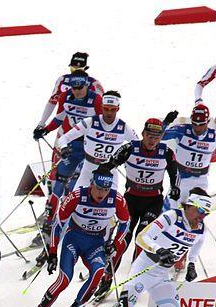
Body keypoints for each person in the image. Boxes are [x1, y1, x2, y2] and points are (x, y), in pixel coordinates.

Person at [67, 188, 211, 307]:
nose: (202, 216)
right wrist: (159, 250)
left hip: (161, 276)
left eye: (206, 213)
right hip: (143, 270)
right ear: (191, 206)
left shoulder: (200, 228)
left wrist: (191, 264)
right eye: (201, 211)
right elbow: (142, 237)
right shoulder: (171, 217)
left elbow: (197, 245)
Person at [23, 169, 129, 307]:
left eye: (106, 190)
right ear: (92, 184)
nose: (102, 194)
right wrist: (52, 252)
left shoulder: (116, 199)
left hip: (95, 244)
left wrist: (115, 243)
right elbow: (58, 224)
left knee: (98, 272)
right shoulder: (77, 196)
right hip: (74, 240)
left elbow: (125, 222)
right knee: (64, 279)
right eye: (99, 188)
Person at [31, 72, 102, 246]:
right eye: (74, 87)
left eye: (80, 87)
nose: (76, 91)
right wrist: (44, 129)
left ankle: (84, 221)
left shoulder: (96, 100)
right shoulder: (66, 96)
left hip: (90, 146)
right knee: (59, 183)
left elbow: (103, 123)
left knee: (82, 186)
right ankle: (49, 225)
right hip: (71, 145)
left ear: (87, 85)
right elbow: (60, 117)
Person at [97, 118, 179, 265]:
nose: (152, 141)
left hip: (153, 202)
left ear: (161, 137)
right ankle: (108, 275)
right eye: (149, 136)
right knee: (123, 238)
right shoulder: (130, 148)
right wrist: (101, 172)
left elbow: (174, 174)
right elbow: (110, 164)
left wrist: (175, 188)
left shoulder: (166, 152)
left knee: (142, 238)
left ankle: (135, 274)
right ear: (143, 134)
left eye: (156, 137)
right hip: (131, 200)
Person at [162, 104, 216, 208]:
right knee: (169, 210)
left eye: (201, 124)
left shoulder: (215, 137)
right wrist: (166, 123)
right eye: (194, 123)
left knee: (195, 214)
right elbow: (158, 136)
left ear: (207, 121)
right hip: (180, 179)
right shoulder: (182, 130)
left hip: (200, 181)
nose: (197, 128)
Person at [35, 52, 104, 134]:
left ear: (85, 68)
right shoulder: (62, 80)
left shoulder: (94, 83)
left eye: (80, 67)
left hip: (87, 127)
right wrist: (42, 124)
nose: (76, 69)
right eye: (73, 67)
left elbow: (103, 109)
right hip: (65, 125)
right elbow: (52, 102)